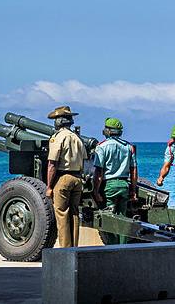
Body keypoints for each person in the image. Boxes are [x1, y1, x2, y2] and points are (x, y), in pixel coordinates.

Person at [45, 105, 87, 248]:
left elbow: (52, 164)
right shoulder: (77, 138)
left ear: (60, 121)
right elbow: (84, 160)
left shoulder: (58, 137)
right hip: (77, 178)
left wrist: (49, 186)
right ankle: (73, 247)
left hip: (63, 178)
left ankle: (64, 249)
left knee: (62, 214)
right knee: (74, 214)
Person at [92, 117, 138, 244]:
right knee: (123, 219)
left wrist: (96, 191)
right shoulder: (128, 147)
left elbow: (99, 172)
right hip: (124, 185)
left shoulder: (102, 147)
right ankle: (123, 247)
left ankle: (112, 247)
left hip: (109, 186)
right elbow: (134, 170)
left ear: (108, 131)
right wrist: (133, 190)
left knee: (109, 219)